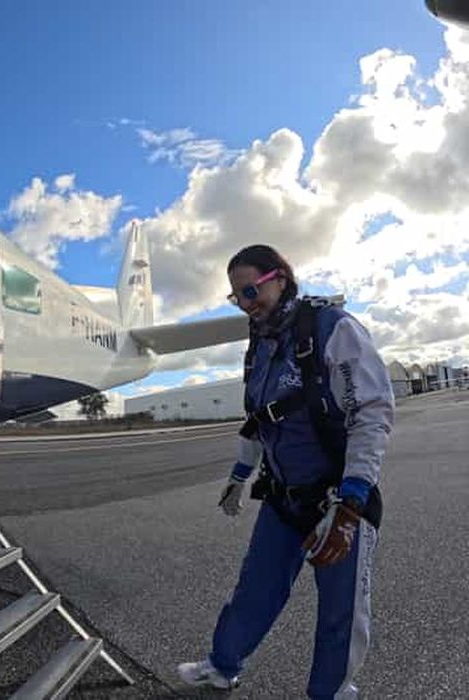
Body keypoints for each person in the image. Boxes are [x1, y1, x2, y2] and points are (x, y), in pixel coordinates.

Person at [177, 244, 394, 699]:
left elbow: (371, 412)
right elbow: (259, 419)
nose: (246, 303)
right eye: (237, 297)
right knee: (254, 592)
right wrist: (239, 475)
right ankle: (221, 667)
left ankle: (330, 693)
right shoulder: (258, 347)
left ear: (281, 278)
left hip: (337, 500)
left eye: (251, 290)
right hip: (282, 498)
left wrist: (352, 502)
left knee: (341, 611)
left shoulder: (333, 328)